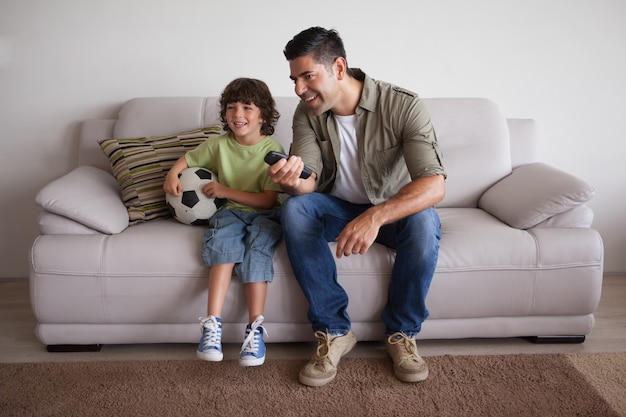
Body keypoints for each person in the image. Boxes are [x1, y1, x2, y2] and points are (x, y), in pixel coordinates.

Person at [267, 27, 446, 386]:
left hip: (392, 213)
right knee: (295, 209)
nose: (299, 90)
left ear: (338, 67)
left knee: (424, 221)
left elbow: (434, 184)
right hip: (338, 209)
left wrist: (375, 216)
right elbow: (310, 180)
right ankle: (334, 330)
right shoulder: (307, 113)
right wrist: (293, 180)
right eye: (294, 79)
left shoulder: (402, 105)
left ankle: (402, 333)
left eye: (307, 76)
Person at [164, 78, 284, 367]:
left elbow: (268, 201)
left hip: (265, 215)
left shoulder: (272, 149)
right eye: (231, 108)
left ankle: (255, 330)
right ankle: (211, 327)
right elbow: (187, 158)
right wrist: (171, 174)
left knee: (257, 253)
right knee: (223, 247)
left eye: (247, 107)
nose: (238, 114)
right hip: (229, 213)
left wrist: (225, 191)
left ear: (263, 116)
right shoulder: (218, 145)